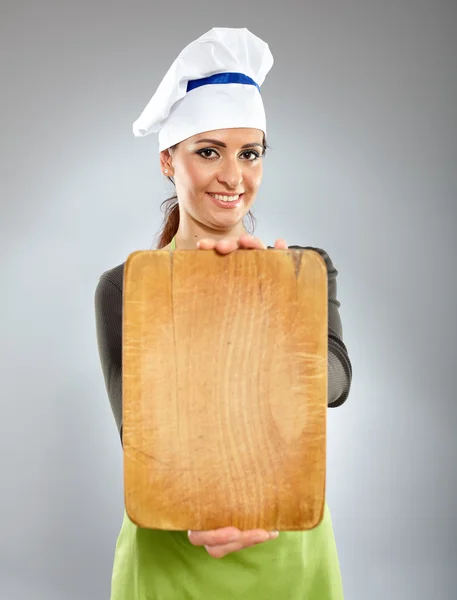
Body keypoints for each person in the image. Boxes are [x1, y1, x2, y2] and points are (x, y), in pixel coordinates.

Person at [94, 27, 353, 600]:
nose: (233, 176)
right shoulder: (126, 286)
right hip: (171, 547)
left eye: (250, 153)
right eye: (208, 151)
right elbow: (136, 434)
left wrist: (275, 307)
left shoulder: (305, 271)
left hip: (289, 545)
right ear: (168, 160)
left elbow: (334, 385)